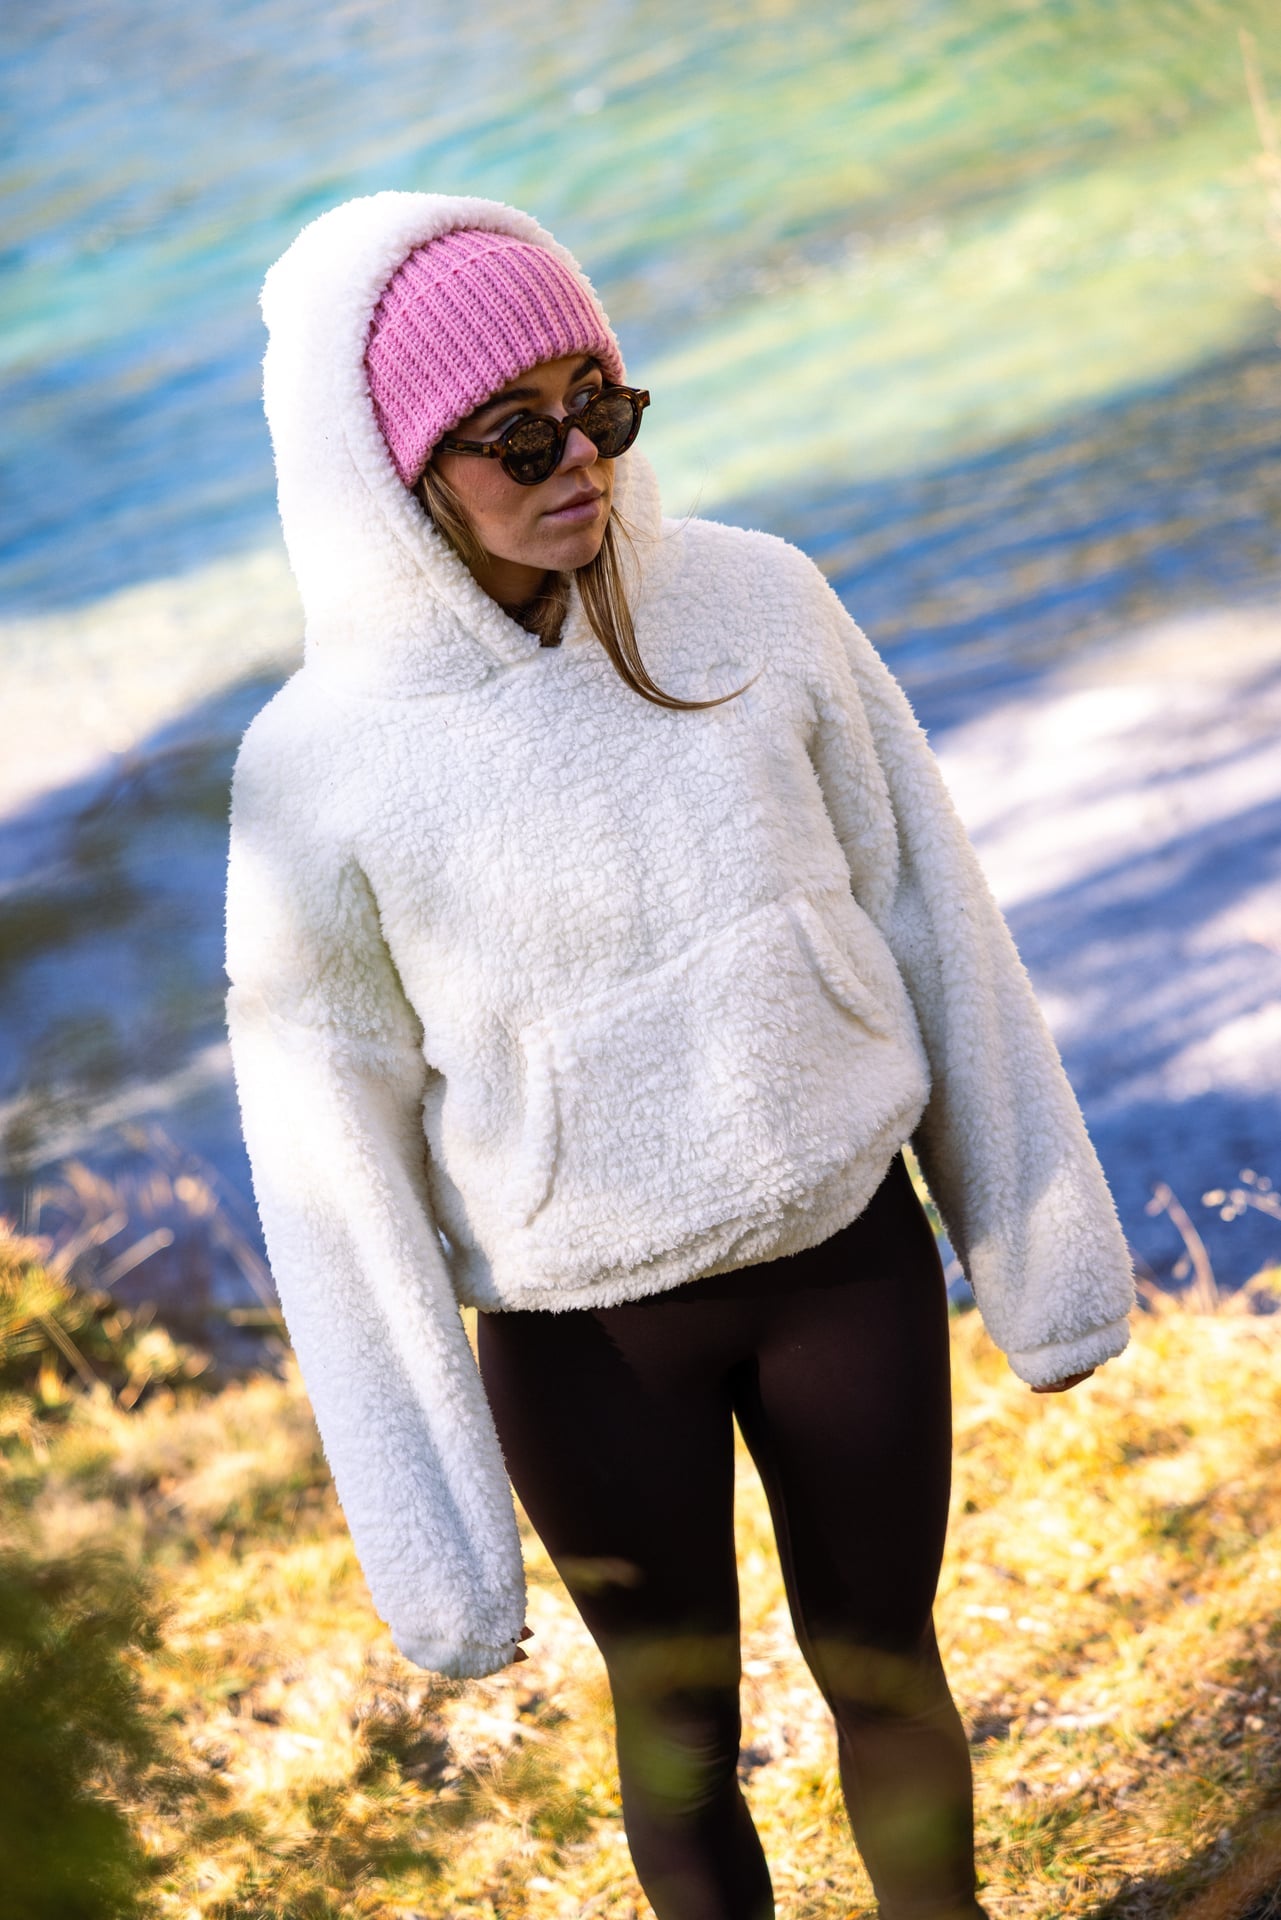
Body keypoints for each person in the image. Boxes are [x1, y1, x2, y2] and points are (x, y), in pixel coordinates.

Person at [224, 190, 1135, 1920]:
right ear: (398, 471)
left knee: (885, 1666)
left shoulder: (760, 602)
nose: (576, 455)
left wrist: (1040, 1252)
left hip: (839, 1259)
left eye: (601, 402)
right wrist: (434, 1538)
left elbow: (933, 915)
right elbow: (329, 1159)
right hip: (585, 1334)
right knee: (677, 1738)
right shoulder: (318, 766)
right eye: (515, 432)